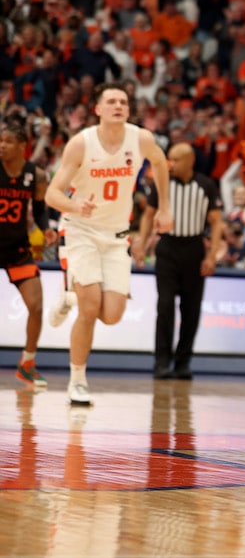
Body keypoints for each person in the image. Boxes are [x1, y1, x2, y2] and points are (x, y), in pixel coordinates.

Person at [45, 83, 173, 406]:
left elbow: (160, 164)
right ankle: (77, 380)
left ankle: (70, 297)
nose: (118, 105)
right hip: (82, 231)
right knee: (90, 308)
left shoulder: (141, 138)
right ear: (98, 109)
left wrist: (165, 207)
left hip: (117, 237)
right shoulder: (81, 143)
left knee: (112, 314)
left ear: (128, 110)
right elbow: (52, 194)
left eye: (123, 102)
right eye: (111, 101)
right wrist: (76, 207)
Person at [135, 142, 224, 380]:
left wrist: (211, 255)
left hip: (194, 248)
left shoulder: (206, 185)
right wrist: (141, 246)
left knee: (191, 309)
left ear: (190, 161)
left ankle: (183, 363)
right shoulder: (162, 183)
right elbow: (148, 215)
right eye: (169, 159)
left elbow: (216, 222)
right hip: (167, 248)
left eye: (175, 160)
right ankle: (161, 362)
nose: (170, 164)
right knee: (164, 306)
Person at [1, 121, 51, 389]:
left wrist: (46, 230)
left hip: (17, 248)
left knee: (37, 306)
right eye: (0, 141)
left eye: (8, 141)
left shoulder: (37, 175)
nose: (2, 145)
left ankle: (27, 363)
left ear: (23, 146)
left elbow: (40, 208)